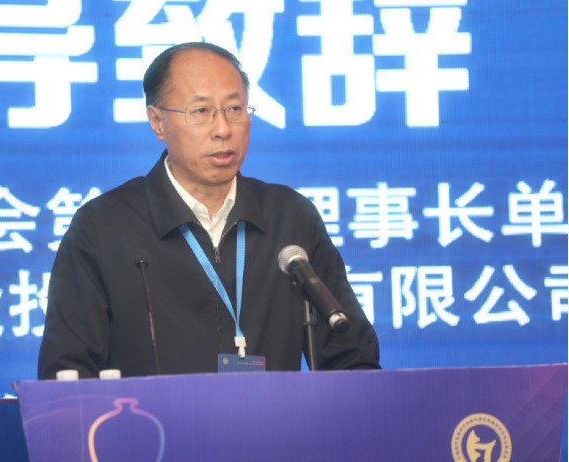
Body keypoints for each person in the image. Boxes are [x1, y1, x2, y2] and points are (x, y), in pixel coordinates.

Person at [38, 42, 380, 379]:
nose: (223, 129)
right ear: (157, 121)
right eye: (201, 111)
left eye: (235, 109)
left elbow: (353, 361)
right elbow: (67, 373)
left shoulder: (290, 217)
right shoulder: (103, 228)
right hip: (148, 419)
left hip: (274, 419)